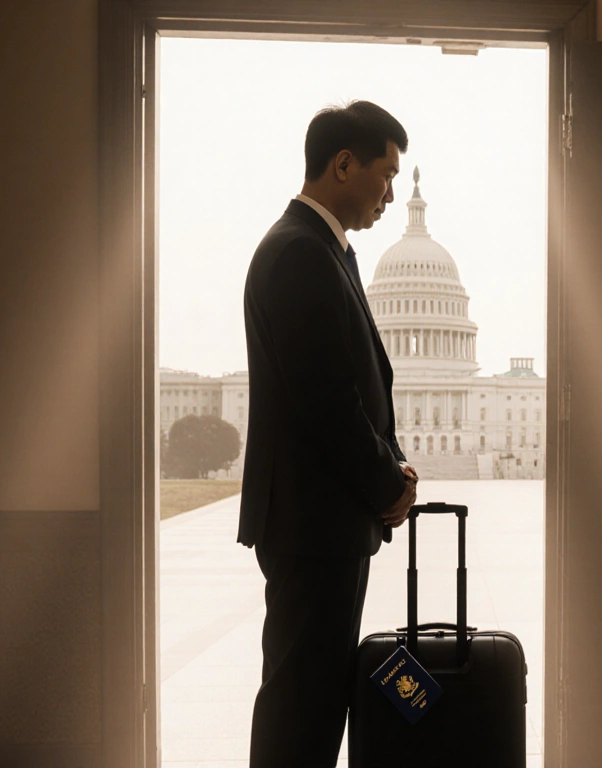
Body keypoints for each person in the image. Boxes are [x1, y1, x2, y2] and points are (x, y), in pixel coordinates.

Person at [237, 100, 418, 768]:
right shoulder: (298, 256)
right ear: (344, 165)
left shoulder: (320, 250)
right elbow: (328, 404)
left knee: (313, 700)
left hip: (322, 523)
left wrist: (391, 468)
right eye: (385, 174)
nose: (392, 195)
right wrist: (386, 483)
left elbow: (349, 390)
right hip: (313, 527)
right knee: (300, 707)